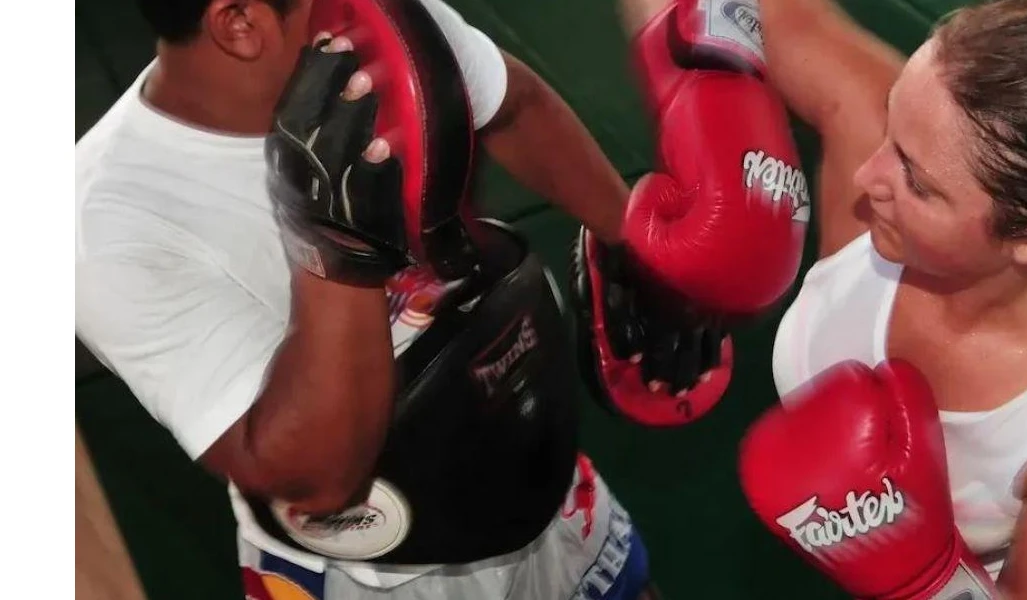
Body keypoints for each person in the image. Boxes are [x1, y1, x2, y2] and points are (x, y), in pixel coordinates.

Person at [623, 0, 1027, 597]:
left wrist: (922, 577)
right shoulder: (901, 129)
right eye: (894, 127)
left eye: (918, 182)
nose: (868, 174)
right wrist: (690, 128)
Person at [75, 1, 661, 598]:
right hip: (378, 575)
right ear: (241, 23)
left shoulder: (378, 26)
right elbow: (317, 479)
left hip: (531, 474)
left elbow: (513, 105)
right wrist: (332, 251)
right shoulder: (106, 225)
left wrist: (636, 247)